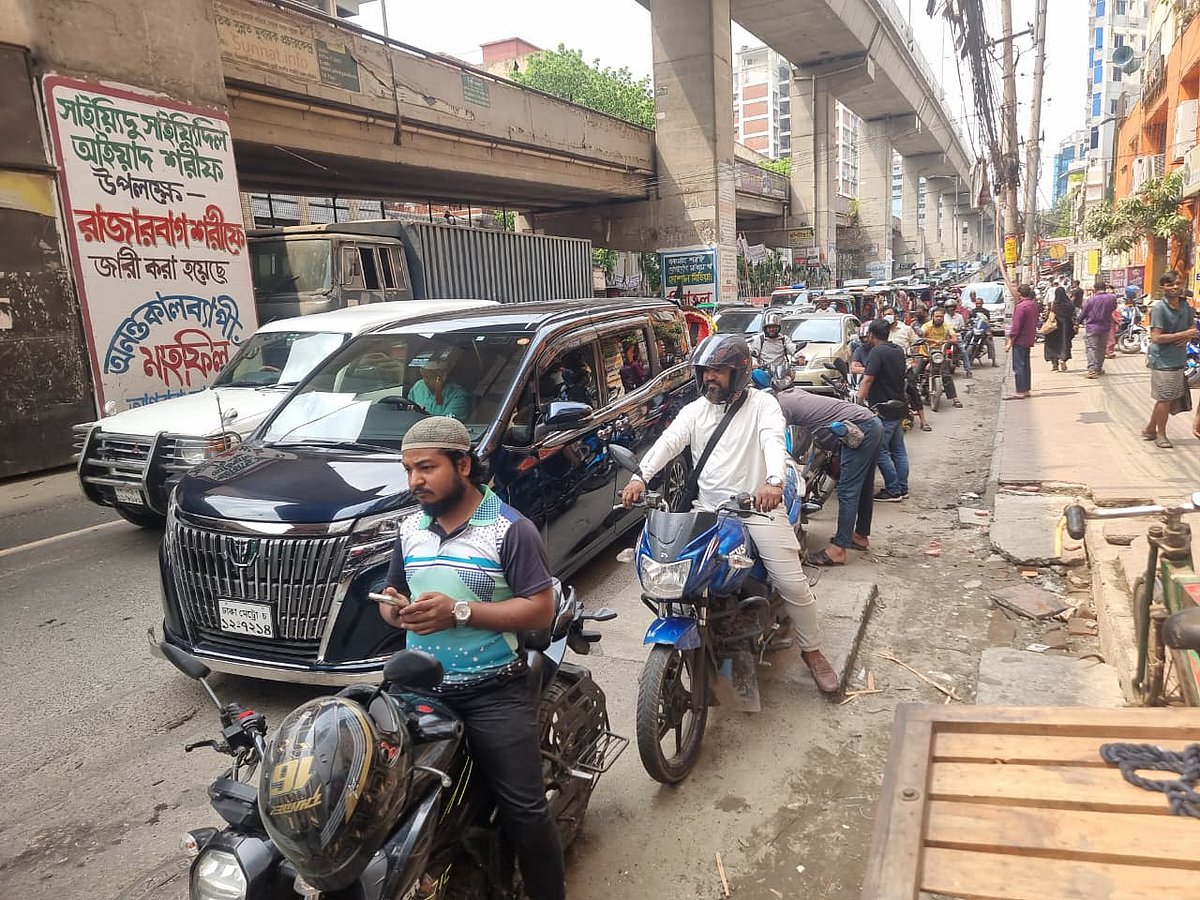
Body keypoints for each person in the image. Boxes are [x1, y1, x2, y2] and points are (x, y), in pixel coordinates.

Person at [377, 417, 564, 900]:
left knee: (524, 809)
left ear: (463, 464)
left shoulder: (509, 529)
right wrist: (396, 611)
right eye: (408, 470)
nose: (414, 481)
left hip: (490, 688)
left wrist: (458, 612)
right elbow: (394, 592)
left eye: (426, 468)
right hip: (417, 692)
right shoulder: (409, 529)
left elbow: (540, 608)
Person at [620, 334, 839, 693]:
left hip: (757, 508)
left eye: (719, 371)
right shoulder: (694, 411)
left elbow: (772, 439)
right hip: (709, 511)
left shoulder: (763, 406)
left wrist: (772, 482)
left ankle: (812, 651)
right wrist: (640, 476)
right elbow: (669, 442)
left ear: (739, 372)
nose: (710, 378)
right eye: (706, 371)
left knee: (791, 582)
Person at [775, 388, 885, 567]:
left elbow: (780, 442)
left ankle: (838, 550)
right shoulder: (789, 394)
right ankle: (860, 536)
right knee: (864, 486)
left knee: (847, 490)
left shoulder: (779, 408)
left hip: (858, 428)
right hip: (870, 422)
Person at [1142, 271, 1196, 449]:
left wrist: (1188, 336)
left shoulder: (1185, 306)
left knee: (1166, 399)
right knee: (1165, 399)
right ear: (1162, 287)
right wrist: (1183, 335)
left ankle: (1150, 428)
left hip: (1179, 359)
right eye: (1170, 284)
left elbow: (1192, 327)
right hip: (1162, 360)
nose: (1174, 287)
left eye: (1177, 284)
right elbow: (1156, 337)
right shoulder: (1159, 308)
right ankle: (1161, 434)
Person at [857, 319, 910, 502]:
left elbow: (867, 379)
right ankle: (902, 487)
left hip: (883, 408)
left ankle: (893, 490)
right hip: (899, 405)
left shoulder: (876, 352)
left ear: (871, 334)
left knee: (880, 451)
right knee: (898, 449)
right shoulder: (897, 350)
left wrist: (858, 401)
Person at [916, 307, 963, 407]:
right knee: (915, 374)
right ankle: (912, 399)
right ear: (932, 317)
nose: (939, 318)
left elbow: (954, 338)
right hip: (925, 354)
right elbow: (920, 336)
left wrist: (946, 341)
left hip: (939, 355)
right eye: (937, 316)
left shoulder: (947, 327)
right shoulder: (926, 326)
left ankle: (955, 398)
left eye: (941, 316)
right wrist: (933, 341)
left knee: (946, 375)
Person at [1078, 280, 1119, 378]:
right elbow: (1114, 308)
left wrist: (1077, 321)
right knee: (1101, 348)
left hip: (1092, 327)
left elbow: (1084, 313)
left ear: (1095, 289)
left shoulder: (1090, 300)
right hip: (1105, 326)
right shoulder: (1112, 298)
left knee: (1091, 348)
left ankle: (1092, 370)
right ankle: (1098, 368)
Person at [1006, 284, 1039, 400]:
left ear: (1020, 294)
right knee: (1025, 365)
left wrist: (1010, 339)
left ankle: (1020, 391)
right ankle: (1026, 389)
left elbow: (1016, 326)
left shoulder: (1021, 307)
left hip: (1020, 339)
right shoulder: (1033, 305)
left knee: (1019, 366)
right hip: (1028, 338)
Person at [1043, 286, 1077, 372]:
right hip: (1066, 329)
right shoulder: (1070, 304)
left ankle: (1055, 364)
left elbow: (1049, 315)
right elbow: (1073, 315)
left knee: (1053, 346)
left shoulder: (1055, 305)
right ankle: (1063, 359)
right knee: (1065, 345)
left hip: (1054, 330)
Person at [944, 298, 972, 377]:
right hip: (947, 338)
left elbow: (962, 326)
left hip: (957, 337)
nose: (951, 309)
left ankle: (968, 370)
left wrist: (960, 330)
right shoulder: (944, 317)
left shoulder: (959, 316)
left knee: (963, 352)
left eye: (952, 307)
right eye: (949, 307)